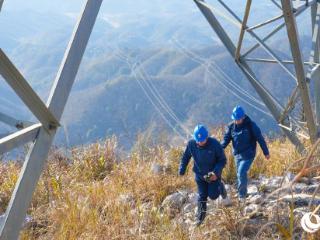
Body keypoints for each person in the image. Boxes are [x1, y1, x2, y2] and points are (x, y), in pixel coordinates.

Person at [179, 124, 227, 226]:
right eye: (198, 140)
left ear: (207, 137)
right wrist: (182, 169)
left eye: (202, 140)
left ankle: (221, 186)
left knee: (213, 196)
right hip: (199, 175)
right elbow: (185, 157)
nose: (200, 142)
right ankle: (199, 219)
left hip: (213, 175)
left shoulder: (214, 144)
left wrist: (216, 172)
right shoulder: (191, 144)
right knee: (202, 196)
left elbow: (222, 160)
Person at [221, 105, 270, 202]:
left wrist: (266, 152)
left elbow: (260, 139)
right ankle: (242, 191)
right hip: (237, 155)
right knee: (239, 174)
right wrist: (218, 149)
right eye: (235, 119)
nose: (236, 121)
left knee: (241, 172)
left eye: (238, 119)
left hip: (248, 154)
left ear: (243, 117)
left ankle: (242, 196)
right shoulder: (231, 127)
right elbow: (226, 140)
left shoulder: (251, 125)